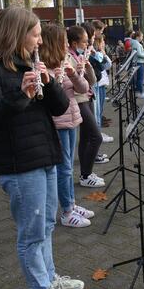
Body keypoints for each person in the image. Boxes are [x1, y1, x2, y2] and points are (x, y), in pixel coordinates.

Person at [0, 6, 83, 289]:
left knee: (45, 225)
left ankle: (48, 278)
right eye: (34, 35)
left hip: (45, 156)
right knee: (31, 233)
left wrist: (51, 82)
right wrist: (19, 94)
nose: (38, 41)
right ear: (18, 35)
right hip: (20, 164)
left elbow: (59, 109)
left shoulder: (29, 64)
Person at [40, 23, 94, 227]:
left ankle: (71, 202)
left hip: (72, 117)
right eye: (62, 42)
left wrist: (74, 74)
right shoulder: (45, 68)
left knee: (69, 167)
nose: (65, 46)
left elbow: (84, 88)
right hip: (59, 122)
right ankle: (66, 212)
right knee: (63, 169)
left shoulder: (65, 62)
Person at [67, 26, 105, 187]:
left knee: (86, 137)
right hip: (78, 100)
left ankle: (85, 173)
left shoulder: (79, 55)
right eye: (84, 42)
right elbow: (71, 85)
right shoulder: (68, 57)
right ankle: (86, 174)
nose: (86, 44)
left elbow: (93, 81)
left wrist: (88, 67)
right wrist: (76, 73)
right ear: (74, 43)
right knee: (97, 137)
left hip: (87, 98)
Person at [131, 31, 144, 99]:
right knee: (140, 78)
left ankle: (139, 91)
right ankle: (140, 92)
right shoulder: (137, 43)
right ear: (138, 37)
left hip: (139, 62)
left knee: (139, 78)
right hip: (139, 62)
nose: (142, 38)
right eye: (142, 36)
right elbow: (139, 54)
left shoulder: (137, 43)